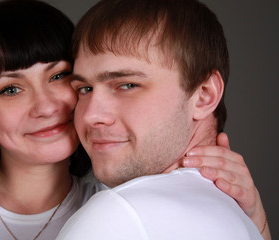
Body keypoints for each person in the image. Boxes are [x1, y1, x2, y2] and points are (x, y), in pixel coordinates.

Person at [0, 0, 269, 240]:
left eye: (60, 78)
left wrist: (254, 219)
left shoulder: (121, 210)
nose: (45, 106)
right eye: (11, 89)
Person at [56, 0, 271, 239]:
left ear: (204, 95)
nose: (90, 115)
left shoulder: (119, 213)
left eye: (127, 85)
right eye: (84, 89)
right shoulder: (239, 216)